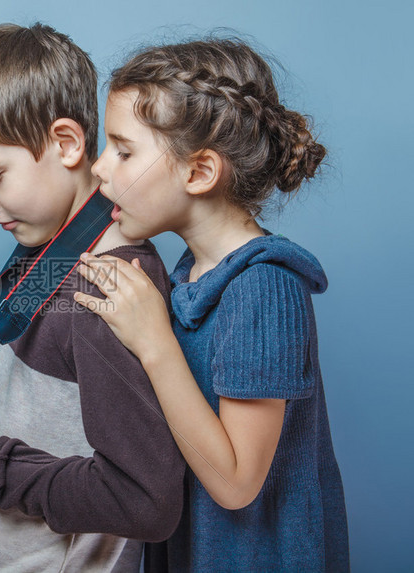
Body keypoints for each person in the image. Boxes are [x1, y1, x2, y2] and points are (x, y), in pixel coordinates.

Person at [0, 23, 186, 572]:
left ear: (67, 144)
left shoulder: (108, 289)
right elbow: (51, 416)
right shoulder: (48, 253)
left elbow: (141, 501)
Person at [72, 39, 350, 572]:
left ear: (199, 172)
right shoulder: (187, 279)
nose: (100, 169)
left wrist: (154, 343)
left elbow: (235, 484)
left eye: (123, 151)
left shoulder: (265, 288)